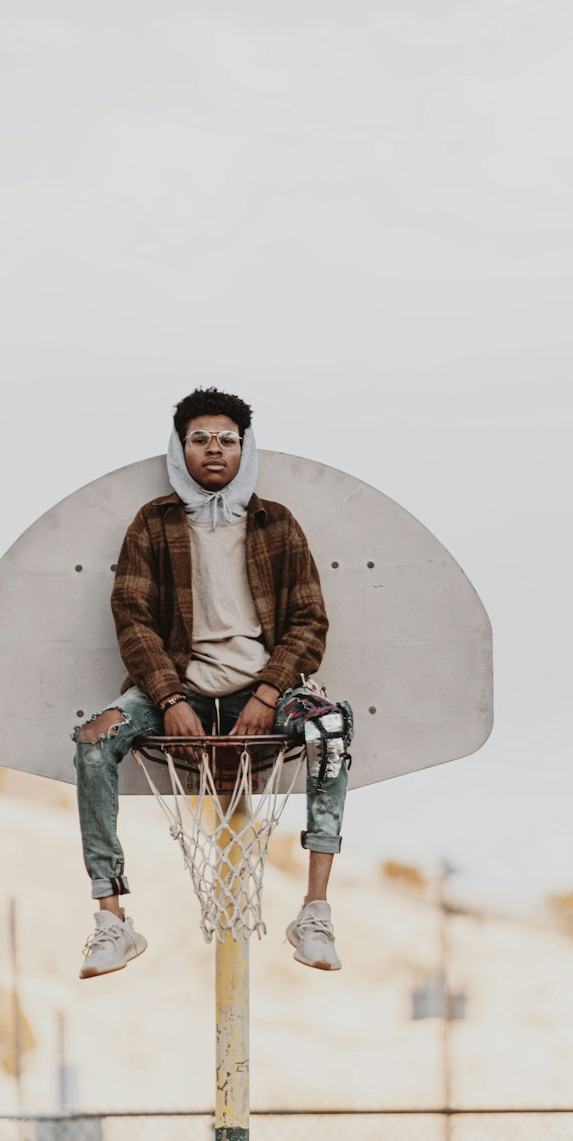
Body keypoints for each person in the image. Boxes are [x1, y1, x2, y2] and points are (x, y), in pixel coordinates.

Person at [72, 386, 352, 979]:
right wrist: (169, 697)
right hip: (177, 687)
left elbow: (309, 619)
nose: (214, 450)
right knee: (95, 740)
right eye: (200, 439)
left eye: (227, 439)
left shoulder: (276, 524)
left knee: (329, 727)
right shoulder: (153, 523)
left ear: (244, 449)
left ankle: (315, 912)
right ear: (181, 449)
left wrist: (269, 691)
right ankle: (111, 918)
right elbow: (132, 615)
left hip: (264, 688)